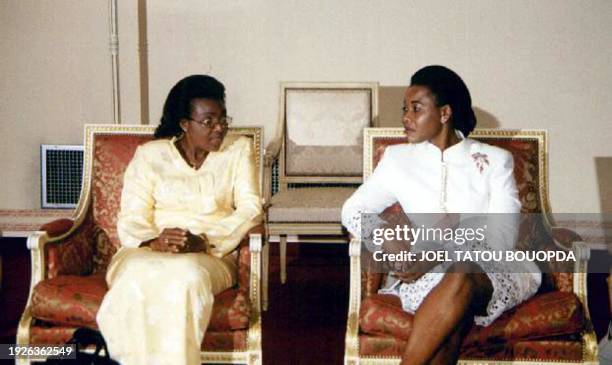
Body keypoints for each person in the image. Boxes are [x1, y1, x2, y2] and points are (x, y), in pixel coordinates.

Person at [341, 65, 541, 365]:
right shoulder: (397, 160)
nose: (406, 118)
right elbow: (353, 210)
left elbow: (502, 237)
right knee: (449, 329)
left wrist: (436, 252)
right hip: (426, 275)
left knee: (462, 271)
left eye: (416, 109)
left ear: (445, 113)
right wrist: (387, 241)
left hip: (492, 270)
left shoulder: (495, 161)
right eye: (404, 109)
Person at [96, 75, 262, 365]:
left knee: (186, 276)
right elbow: (132, 214)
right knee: (134, 276)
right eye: (208, 121)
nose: (220, 127)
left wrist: (205, 242)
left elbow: (251, 210)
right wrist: (153, 240)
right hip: (145, 250)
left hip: (209, 255)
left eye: (223, 118)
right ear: (185, 124)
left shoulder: (238, 150)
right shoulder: (150, 156)